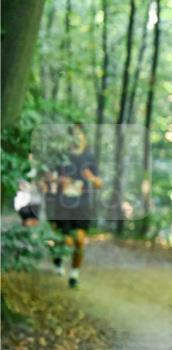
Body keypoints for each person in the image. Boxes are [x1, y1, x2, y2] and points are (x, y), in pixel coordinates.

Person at [50, 123, 102, 289]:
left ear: (84, 137)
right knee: (66, 240)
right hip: (63, 204)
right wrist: (59, 181)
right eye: (74, 134)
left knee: (79, 240)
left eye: (80, 134)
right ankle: (57, 259)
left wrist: (91, 178)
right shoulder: (62, 157)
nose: (77, 137)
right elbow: (48, 178)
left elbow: (99, 184)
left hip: (83, 204)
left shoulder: (90, 158)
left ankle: (74, 275)